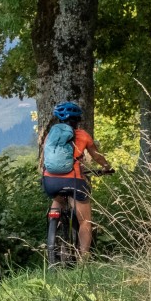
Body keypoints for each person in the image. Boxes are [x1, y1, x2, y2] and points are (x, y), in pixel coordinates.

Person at [39, 100, 112, 258]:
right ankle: (83, 261)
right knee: (85, 221)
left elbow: (44, 159)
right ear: (78, 120)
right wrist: (106, 167)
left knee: (58, 199)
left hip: (50, 181)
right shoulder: (83, 136)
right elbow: (97, 156)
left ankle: (54, 223)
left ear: (59, 120)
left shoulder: (50, 136)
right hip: (74, 180)